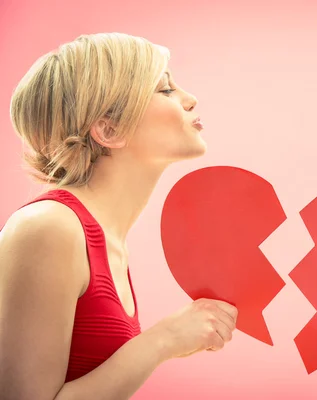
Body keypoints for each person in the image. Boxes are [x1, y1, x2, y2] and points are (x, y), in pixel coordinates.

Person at [0, 33, 238, 399]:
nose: (190, 99)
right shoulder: (49, 228)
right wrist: (164, 340)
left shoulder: (106, 240)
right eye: (165, 89)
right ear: (109, 129)